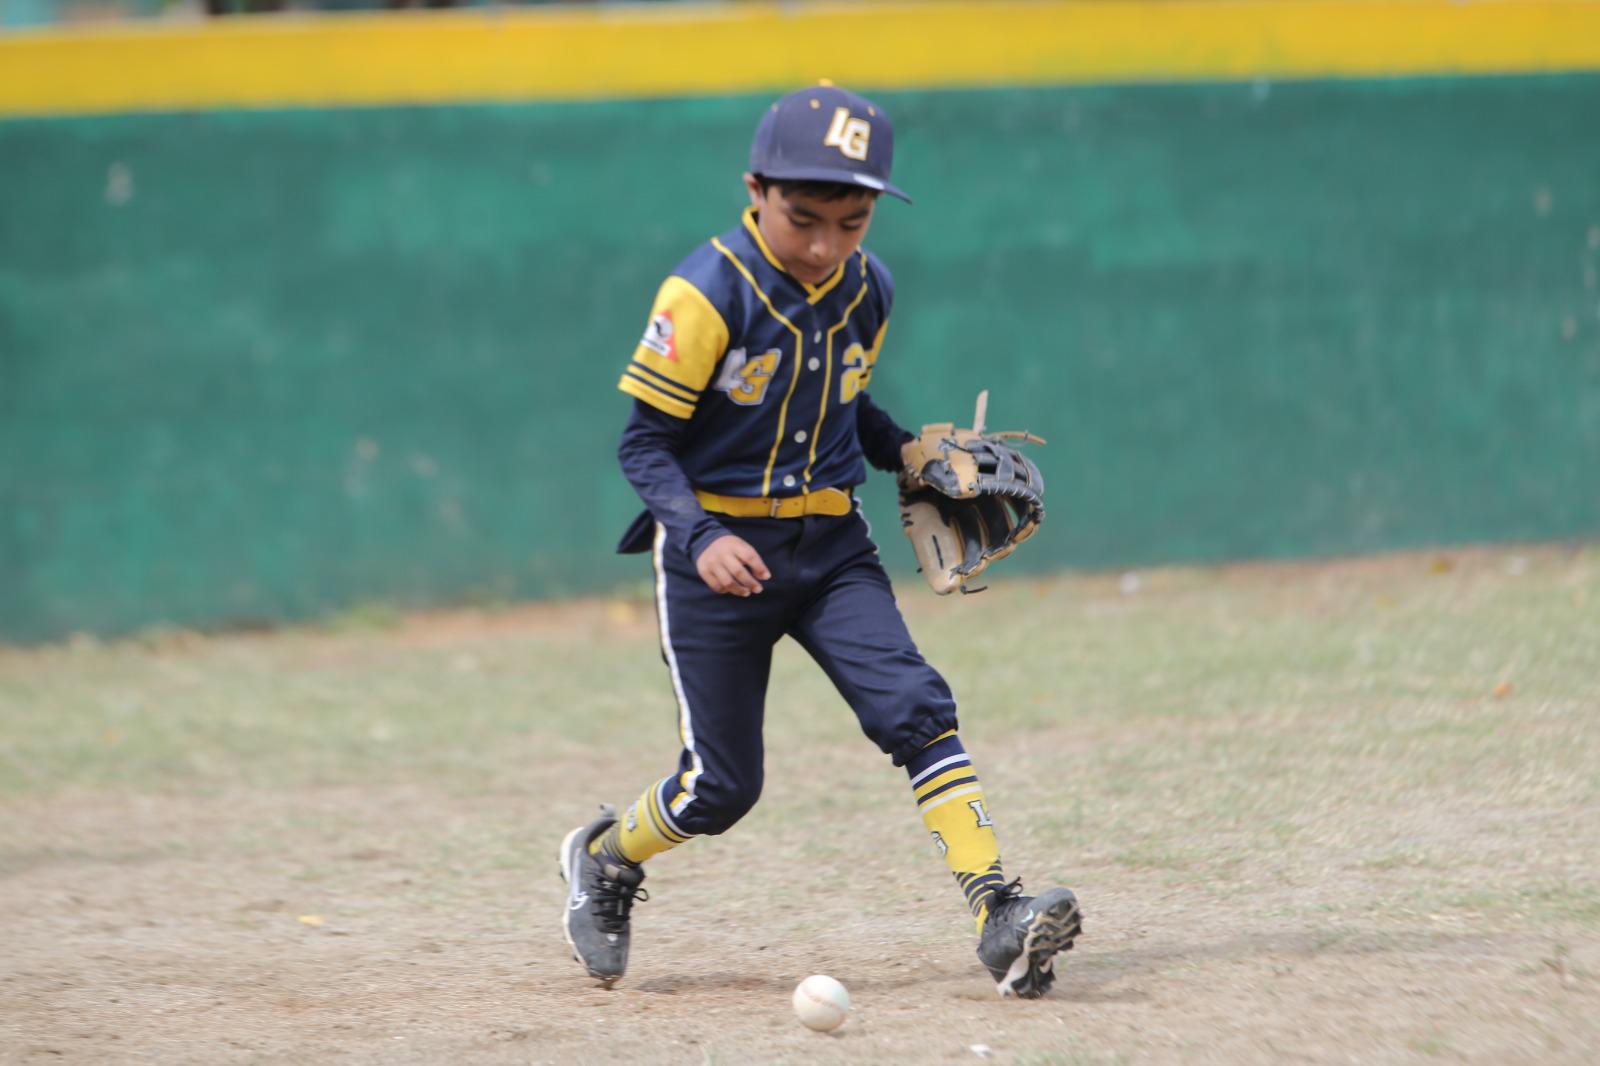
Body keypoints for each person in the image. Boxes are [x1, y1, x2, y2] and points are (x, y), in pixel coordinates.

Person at [558, 83, 1081, 999]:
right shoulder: (706, 293)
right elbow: (642, 442)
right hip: (718, 564)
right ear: (755, 188)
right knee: (720, 789)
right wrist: (699, 534)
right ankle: (604, 857)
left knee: (916, 709)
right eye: (803, 218)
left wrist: (904, 449)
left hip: (832, 547)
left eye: (853, 220)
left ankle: (999, 910)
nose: (826, 245)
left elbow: (844, 402)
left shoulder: (866, 289)